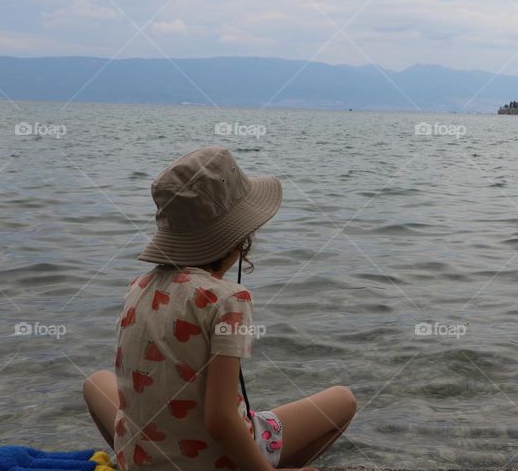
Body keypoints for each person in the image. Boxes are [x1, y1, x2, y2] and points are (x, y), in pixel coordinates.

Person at [82, 146, 356, 471]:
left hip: (143, 458)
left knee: (95, 382)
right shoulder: (228, 300)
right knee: (343, 400)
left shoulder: (137, 288)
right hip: (212, 460)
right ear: (239, 238)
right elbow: (221, 420)